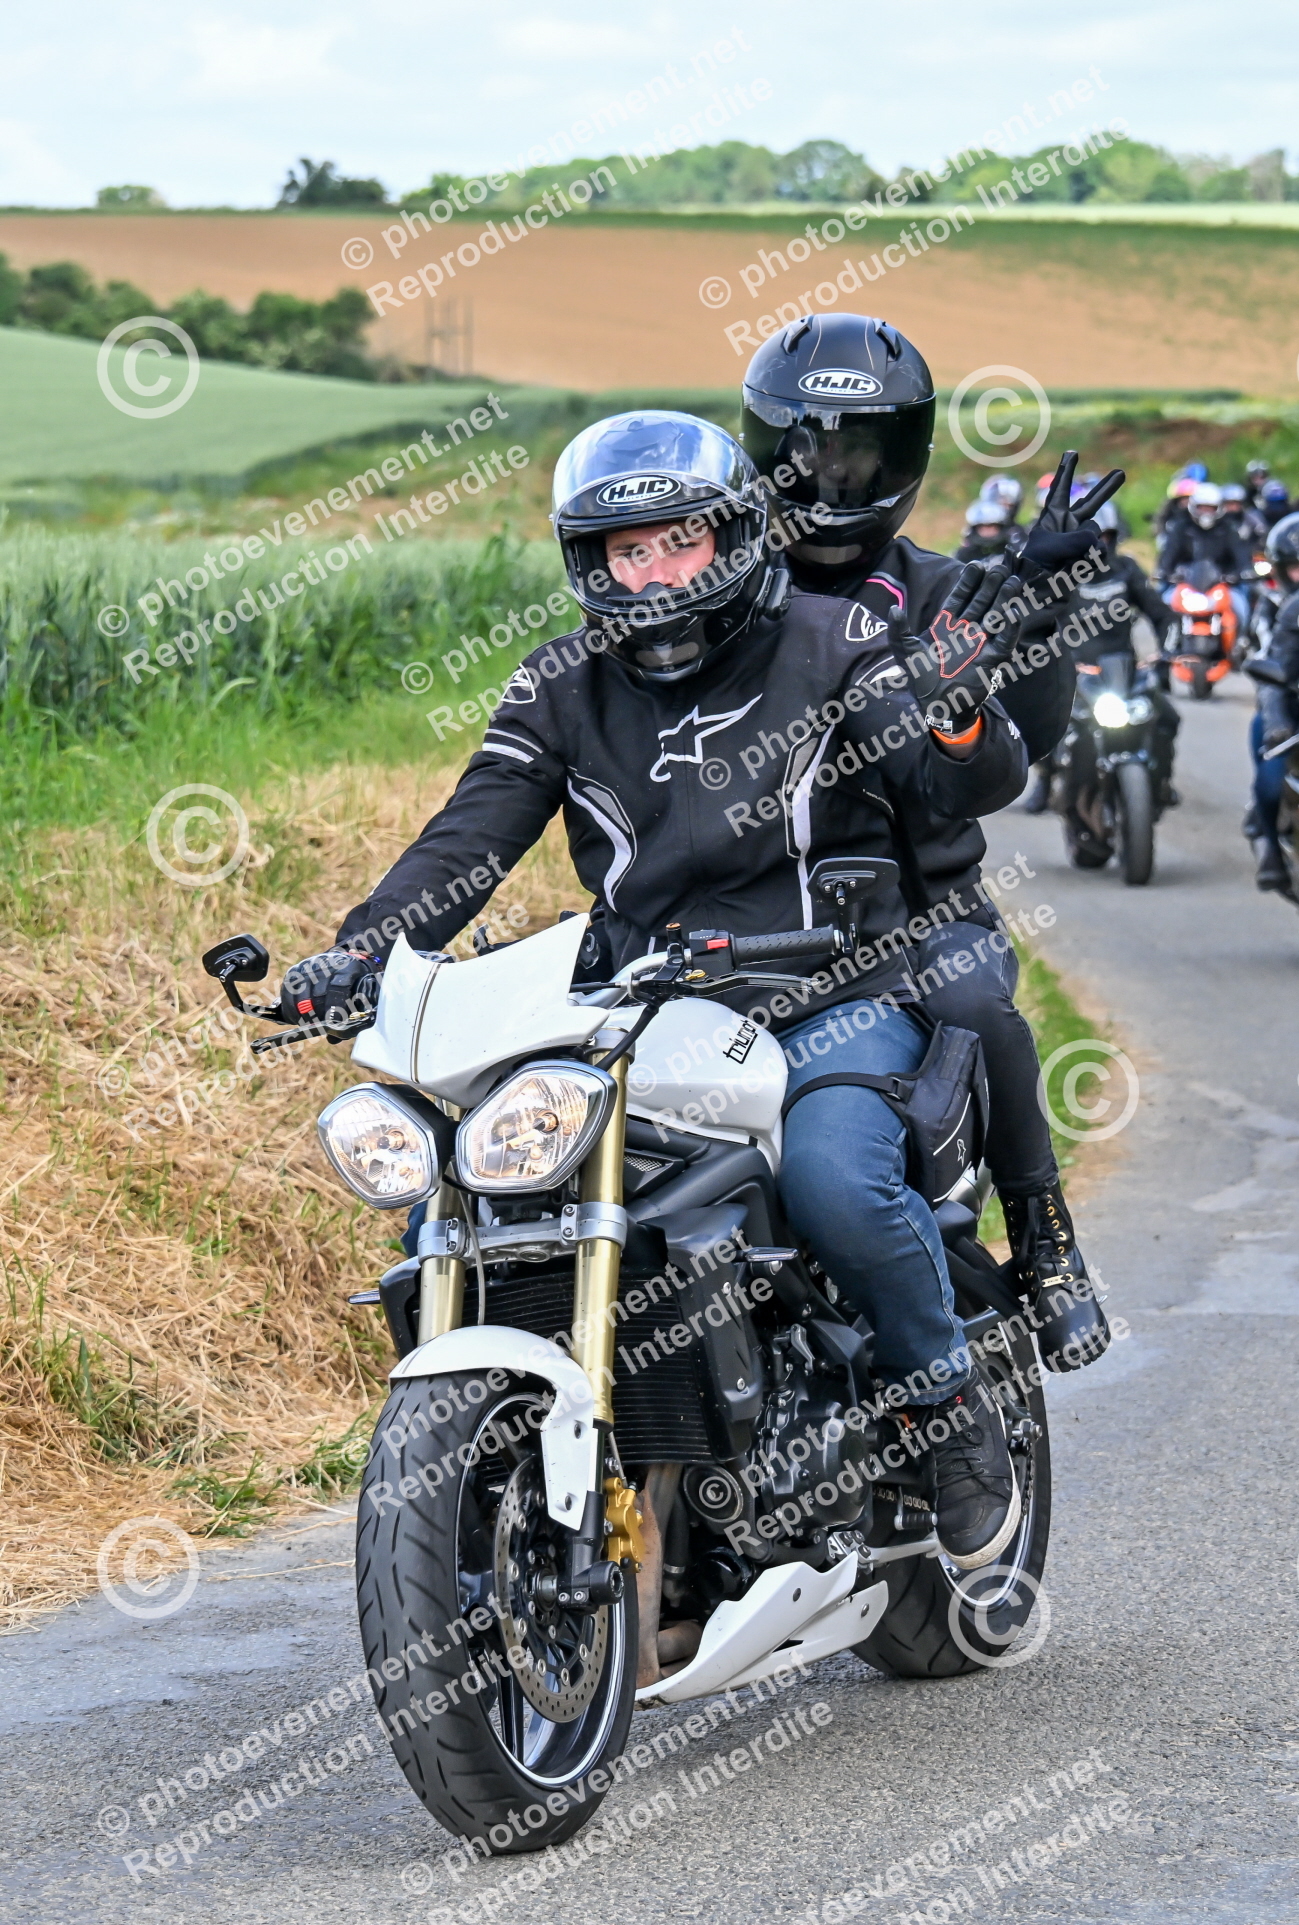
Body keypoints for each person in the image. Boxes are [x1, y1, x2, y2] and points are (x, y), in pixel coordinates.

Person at [284, 411, 1036, 1567]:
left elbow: (961, 788)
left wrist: (959, 713)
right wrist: (358, 956)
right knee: (495, 1184)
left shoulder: (836, 641)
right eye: (626, 551)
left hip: (832, 988)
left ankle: (947, 1407)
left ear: (732, 535)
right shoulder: (561, 686)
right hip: (644, 1007)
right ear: (589, 561)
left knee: (836, 1176)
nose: (652, 573)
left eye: (677, 541)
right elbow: (465, 841)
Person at [738, 312, 1122, 1319]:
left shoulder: (949, 590)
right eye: (808, 451)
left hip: (921, 914)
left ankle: (1042, 1233)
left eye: (859, 455)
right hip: (745, 917)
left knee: (973, 998)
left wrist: (1041, 612)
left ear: (904, 459)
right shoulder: (727, 596)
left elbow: (1030, 735)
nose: (830, 479)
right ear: (765, 450)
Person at [1052, 500, 1182, 859]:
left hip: (1124, 674)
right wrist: (1051, 660)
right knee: (1049, 732)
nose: (1098, 544)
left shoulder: (1127, 570)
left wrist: (1168, 652)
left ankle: (1161, 783)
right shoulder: (1059, 579)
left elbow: (1162, 615)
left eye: (1105, 536)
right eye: (1090, 538)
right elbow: (1038, 625)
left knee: (1168, 718)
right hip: (1074, 677)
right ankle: (1050, 786)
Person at [1244, 513, 1299, 894]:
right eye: (1296, 568)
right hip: (1290, 712)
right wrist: (1279, 722)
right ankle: (1271, 850)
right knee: (1268, 784)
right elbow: (1274, 671)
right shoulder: (1288, 611)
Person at [1158, 483, 1253, 631]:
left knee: (1241, 606)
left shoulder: (1229, 529)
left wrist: (1240, 573)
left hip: (1223, 583)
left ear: (1219, 508)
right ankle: (1165, 639)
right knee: (1162, 605)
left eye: (1210, 508)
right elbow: (1168, 555)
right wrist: (1165, 572)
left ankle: (1242, 637)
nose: (1206, 512)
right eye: (1202, 508)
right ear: (1193, 507)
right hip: (1185, 583)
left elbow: (1241, 556)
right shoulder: (1180, 527)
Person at [955, 497, 1014, 562]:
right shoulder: (964, 555)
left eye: (991, 526)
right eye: (983, 527)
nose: (987, 531)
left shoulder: (1012, 549)